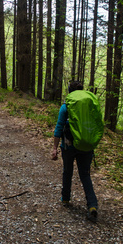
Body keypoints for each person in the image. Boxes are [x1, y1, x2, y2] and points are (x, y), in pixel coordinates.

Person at [51, 81, 98, 222]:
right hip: (86, 145)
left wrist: (54, 148)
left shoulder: (66, 107)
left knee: (67, 171)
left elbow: (59, 128)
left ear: (69, 91)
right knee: (85, 175)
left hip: (69, 146)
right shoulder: (89, 106)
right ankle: (92, 205)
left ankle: (65, 198)